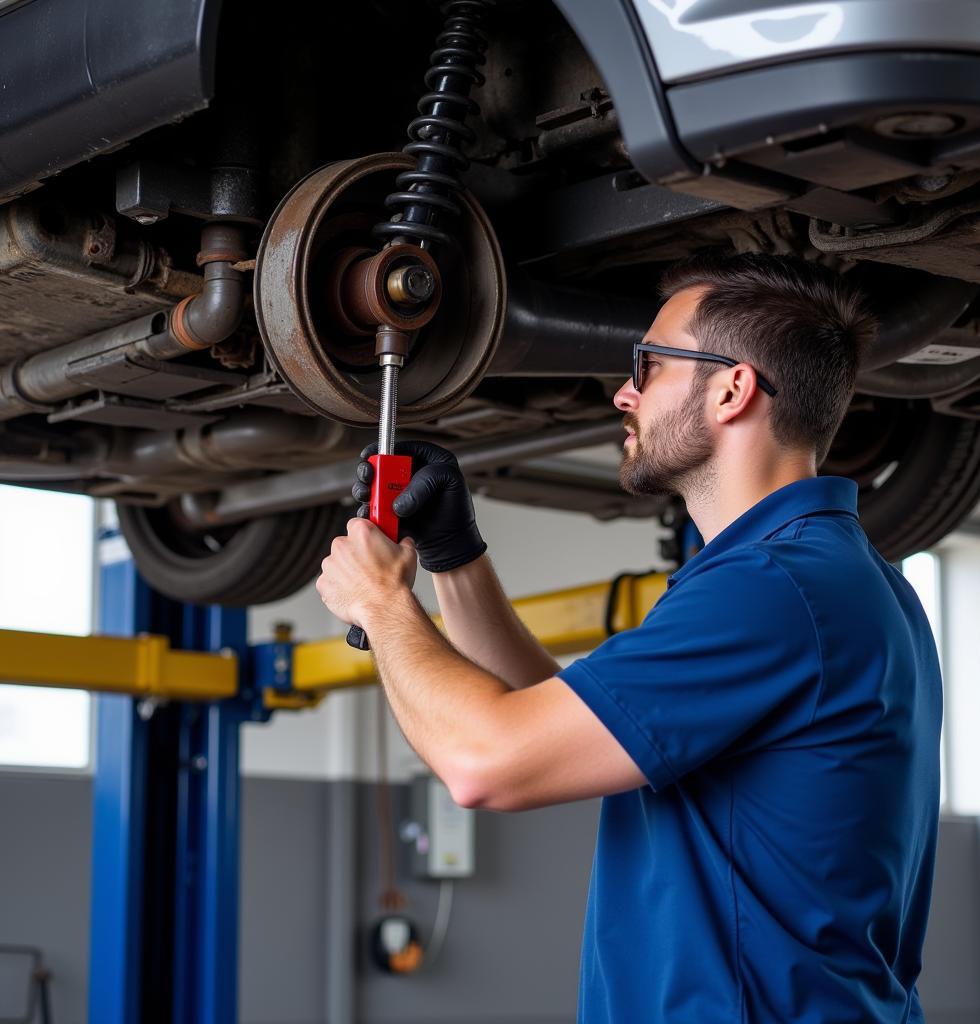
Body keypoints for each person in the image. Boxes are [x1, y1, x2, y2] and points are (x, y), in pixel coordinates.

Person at [316, 252, 943, 1023]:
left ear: (731, 389)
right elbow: (554, 719)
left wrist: (381, 604)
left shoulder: (774, 591)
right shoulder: (829, 578)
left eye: (647, 366)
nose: (624, 392)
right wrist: (455, 557)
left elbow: (487, 763)